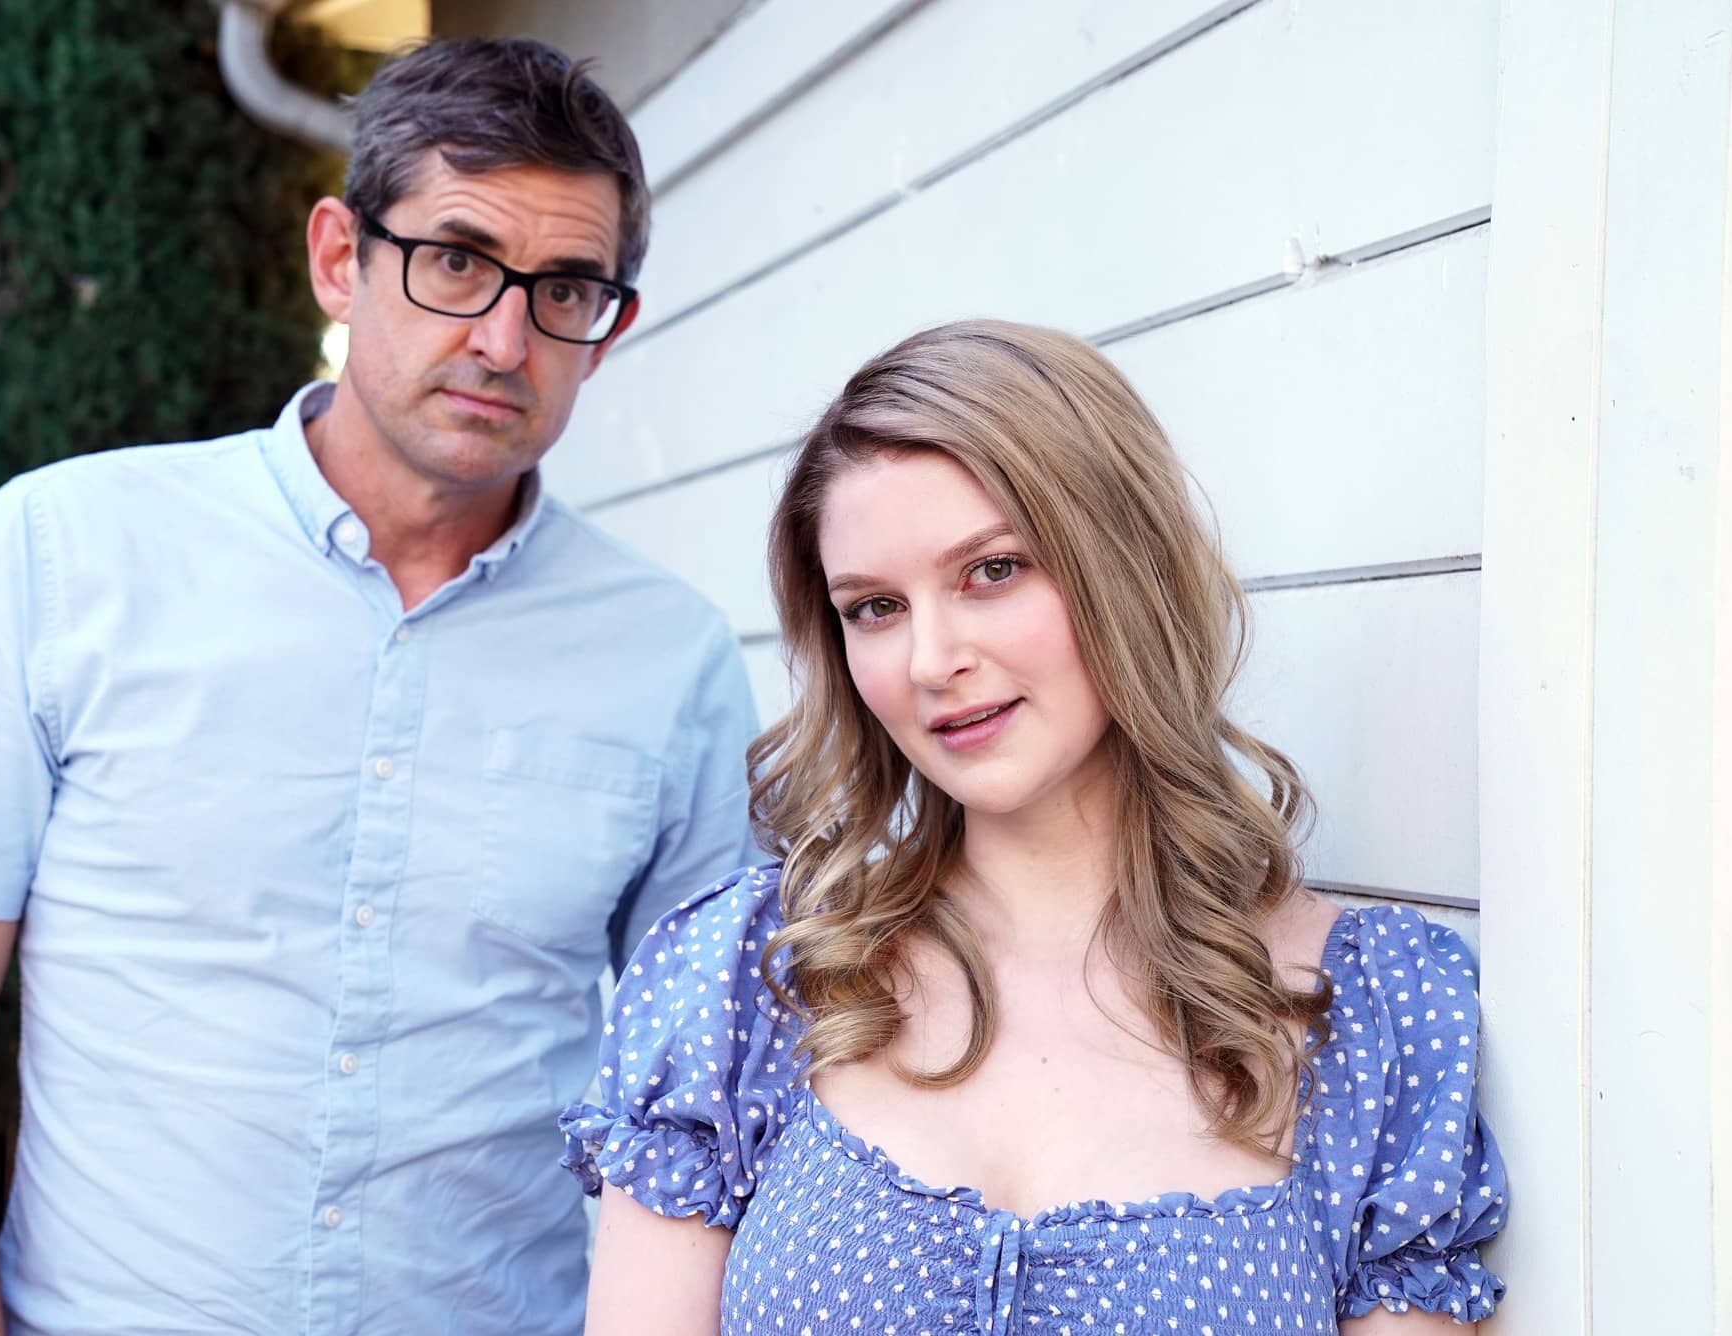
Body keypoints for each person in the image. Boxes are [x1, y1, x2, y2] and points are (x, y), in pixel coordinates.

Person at [0, 37, 760, 1336]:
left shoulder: (672, 661)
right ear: (339, 257)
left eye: (564, 290)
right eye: (456, 261)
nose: (504, 339)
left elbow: (709, 1102)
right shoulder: (67, 550)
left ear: (608, 333)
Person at [564, 320, 1508, 1334]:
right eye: (875, 607)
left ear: (1126, 567)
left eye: (992, 570)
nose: (931, 660)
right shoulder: (753, 975)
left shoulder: (1371, 1013)